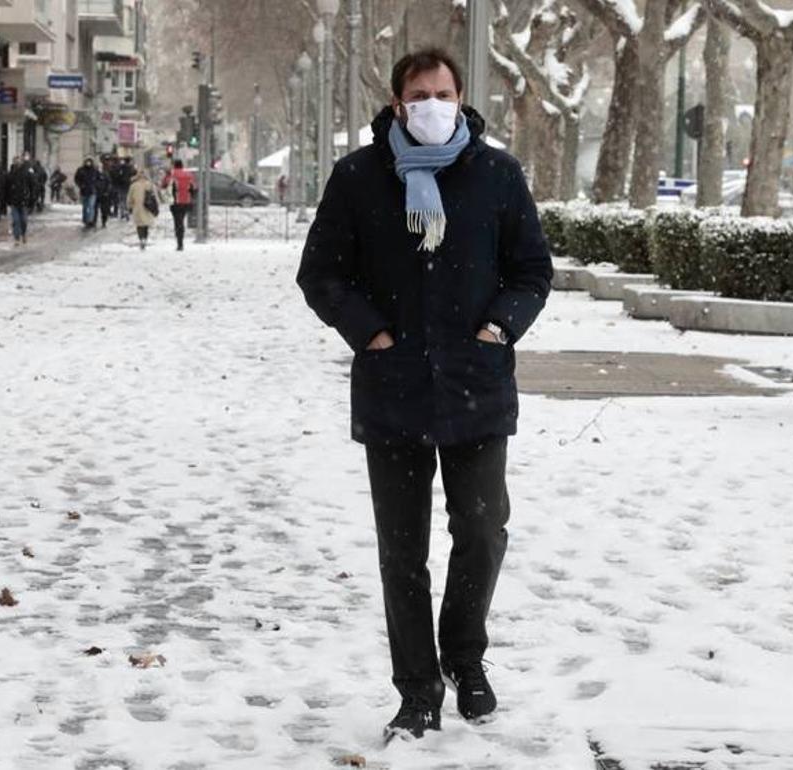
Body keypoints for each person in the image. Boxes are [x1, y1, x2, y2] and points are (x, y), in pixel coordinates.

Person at [296, 48, 552, 743]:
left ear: (461, 95)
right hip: (394, 390)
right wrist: (371, 333)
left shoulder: (496, 174)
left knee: (480, 530)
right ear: (397, 100)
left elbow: (532, 268)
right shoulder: (359, 177)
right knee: (401, 552)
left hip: (476, 385)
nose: (432, 104)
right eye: (419, 94)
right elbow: (321, 274)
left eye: (443, 92)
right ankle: (416, 687)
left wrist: (501, 325)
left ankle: (464, 659)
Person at [161, 159, 196, 251]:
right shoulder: (189, 175)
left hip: (175, 201)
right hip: (186, 201)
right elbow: (194, 188)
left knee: (177, 222)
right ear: (182, 165)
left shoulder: (172, 175)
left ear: (174, 166)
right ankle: (180, 240)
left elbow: (164, 185)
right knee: (181, 220)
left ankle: (179, 242)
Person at [5, 155, 38, 245]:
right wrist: (7, 199)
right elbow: (6, 187)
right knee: (16, 220)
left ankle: (23, 234)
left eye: (18, 161)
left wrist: (32, 198)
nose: (17, 163)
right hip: (14, 201)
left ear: (21, 162)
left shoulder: (27, 173)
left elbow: (33, 186)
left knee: (23, 220)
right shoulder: (11, 174)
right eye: (15, 161)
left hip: (24, 200)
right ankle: (17, 238)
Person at [126, 168, 158, 250]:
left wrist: (129, 206)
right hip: (148, 207)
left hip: (137, 208)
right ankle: (145, 239)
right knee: (146, 224)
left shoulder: (133, 185)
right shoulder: (150, 184)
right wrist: (156, 206)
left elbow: (129, 197)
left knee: (139, 225)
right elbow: (155, 196)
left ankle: (141, 239)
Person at [74, 158, 100, 228]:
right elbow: (76, 179)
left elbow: (99, 179)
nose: (88, 163)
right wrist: (81, 185)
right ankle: (85, 219)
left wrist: (96, 186)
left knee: (91, 206)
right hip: (84, 191)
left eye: (90, 161)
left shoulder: (94, 171)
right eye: (87, 161)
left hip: (92, 191)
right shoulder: (81, 170)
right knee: (85, 206)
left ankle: (90, 220)